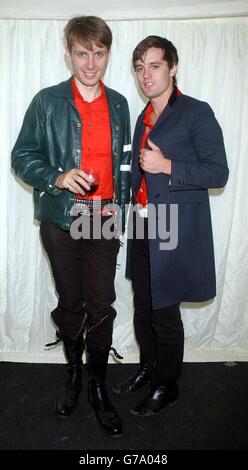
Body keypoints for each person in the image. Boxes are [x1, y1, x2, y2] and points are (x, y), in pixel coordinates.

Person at [11, 15, 131, 437]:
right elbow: (21, 155)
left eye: (99, 53)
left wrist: (125, 208)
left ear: (107, 54)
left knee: (101, 305)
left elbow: (126, 164)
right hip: (64, 216)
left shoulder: (119, 104)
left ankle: (98, 385)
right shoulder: (46, 102)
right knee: (71, 302)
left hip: (101, 217)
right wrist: (57, 177)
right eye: (82, 53)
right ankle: (74, 374)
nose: (91, 63)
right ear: (68, 53)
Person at [113, 35, 229, 416]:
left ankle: (168, 384)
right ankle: (148, 368)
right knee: (143, 305)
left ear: (173, 68)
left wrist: (168, 167)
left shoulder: (197, 112)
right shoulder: (142, 117)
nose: (146, 75)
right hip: (145, 224)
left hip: (174, 229)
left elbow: (218, 172)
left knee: (165, 311)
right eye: (140, 68)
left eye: (155, 66)